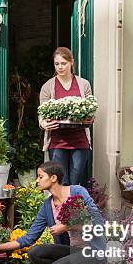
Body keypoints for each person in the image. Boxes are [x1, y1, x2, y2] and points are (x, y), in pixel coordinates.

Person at [0, 161, 108, 264]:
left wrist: (67, 226)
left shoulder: (77, 191)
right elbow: (29, 238)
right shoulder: (47, 206)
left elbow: (99, 224)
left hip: (93, 251)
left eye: (40, 177)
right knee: (35, 252)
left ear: (53, 178)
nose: (37, 181)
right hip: (73, 251)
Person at [39, 47, 93, 186]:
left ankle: (73, 208)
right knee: (61, 183)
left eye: (64, 63)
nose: (60, 67)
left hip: (79, 141)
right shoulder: (48, 87)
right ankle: (60, 208)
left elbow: (90, 111)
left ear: (71, 63)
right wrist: (43, 123)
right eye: (57, 64)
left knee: (75, 183)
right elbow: (42, 113)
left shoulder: (83, 84)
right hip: (57, 141)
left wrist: (90, 119)